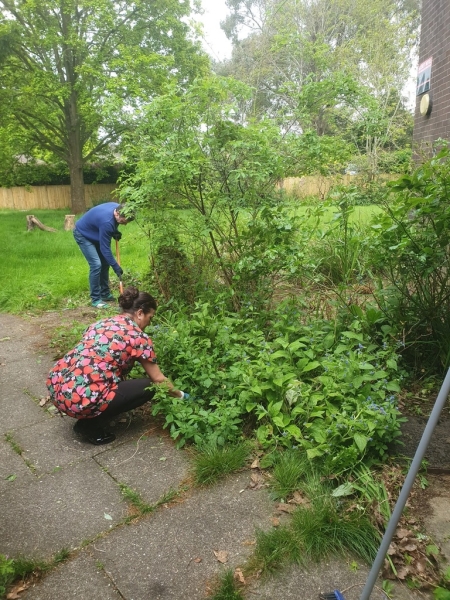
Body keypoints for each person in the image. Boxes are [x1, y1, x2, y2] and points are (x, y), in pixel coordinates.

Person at [46, 287, 189, 445]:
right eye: (150, 317)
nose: (149, 323)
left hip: (58, 387)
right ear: (140, 313)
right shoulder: (138, 337)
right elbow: (158, 378)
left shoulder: (102, 323)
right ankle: (88, 425)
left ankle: (90, 409)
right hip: (79, 401)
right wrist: (181, 395)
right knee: (151, 387)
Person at [73, 202, 133, 308]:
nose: (125, 224)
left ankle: (105, 293)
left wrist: (115, 231)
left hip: (95, 231)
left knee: (105, 263)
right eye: (124, 221)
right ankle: (96, 299)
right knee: (96, 264)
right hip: (83, 234)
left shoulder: (118, 207)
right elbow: (105, 249)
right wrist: (116, 267)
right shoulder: (107, 222)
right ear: (117, 214)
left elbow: (109, 226)